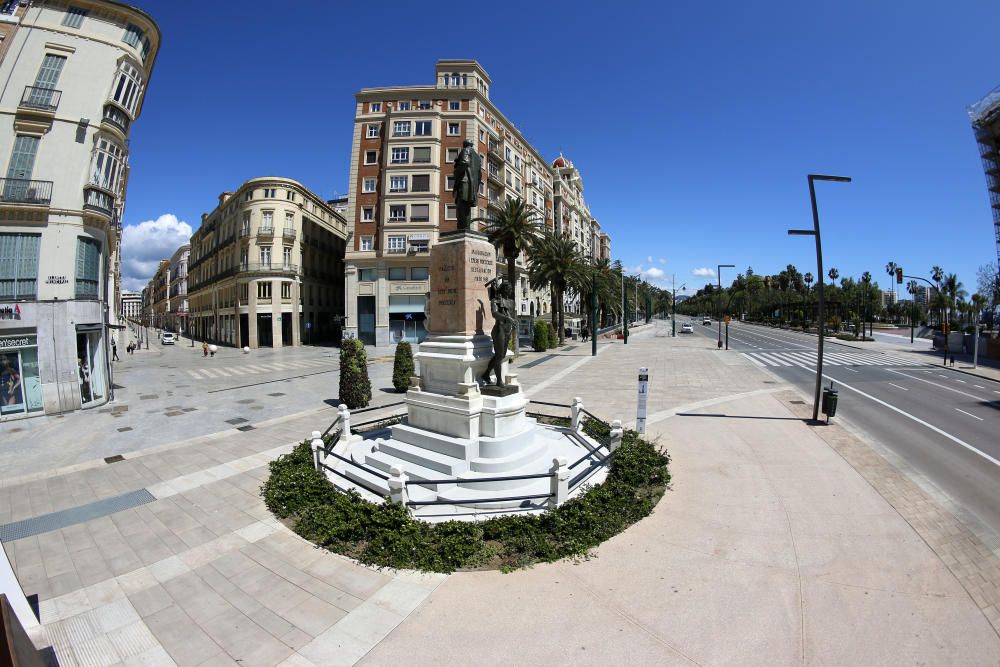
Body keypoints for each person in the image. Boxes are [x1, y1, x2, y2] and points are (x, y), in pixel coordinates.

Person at [452, 139, 482, 231]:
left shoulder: (465, 150)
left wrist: (456, 172)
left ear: (464, 145)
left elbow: (464, 162)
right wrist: (475, 187)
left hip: (464, 182)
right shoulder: (477, 157)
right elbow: (479, 174)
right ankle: (466, 227)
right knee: (467, 208)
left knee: (461, 205)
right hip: (472, 186)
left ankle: (462, 227)